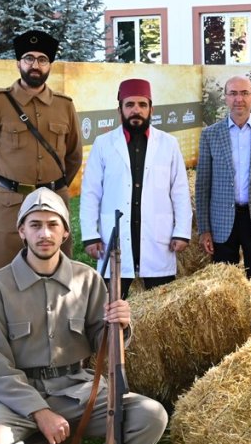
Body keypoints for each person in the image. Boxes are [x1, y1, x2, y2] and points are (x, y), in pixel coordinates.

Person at [0, 188, 167, 444]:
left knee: (151, 416)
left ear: (65, 232)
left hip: (78, 391)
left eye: (52, 224)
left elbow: (101, 347)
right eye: (35, 225)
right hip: (16, 396)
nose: (44, 233)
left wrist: (120, 325)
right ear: (21, 231)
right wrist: (40, 411)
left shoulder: (87, 280)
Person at [0, 29, 83, 275]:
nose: (35, 65)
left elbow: (74, 155)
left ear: (50, 66)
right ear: (18, 63)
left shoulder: (64, 105)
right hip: (9, 206)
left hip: (54, 203)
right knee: (1, 277)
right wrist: (5, 187)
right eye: (29, 58)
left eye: (42, 59)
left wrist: (55, 187)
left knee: (58, 276)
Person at [80, 78, 192, 296]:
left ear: (151, 108)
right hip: (114, 237)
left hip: (158, 238)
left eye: (142, 105)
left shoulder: (168, 143)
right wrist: (90, 235)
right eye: (129, 105)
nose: (136, 110)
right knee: (111, 307)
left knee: (160, 310)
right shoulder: (103, 144)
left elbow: (179, 191)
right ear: (119, 109)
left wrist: (182, 232)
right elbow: (91, 193)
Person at [195, 75, 251, 324]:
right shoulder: (210, 135)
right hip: (222, 221)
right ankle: (228, 333)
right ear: (225, 97)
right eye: (233, 93)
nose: (239, 99)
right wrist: (204, 228)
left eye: (245, 93)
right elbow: (202, 184)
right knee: (223, 287)